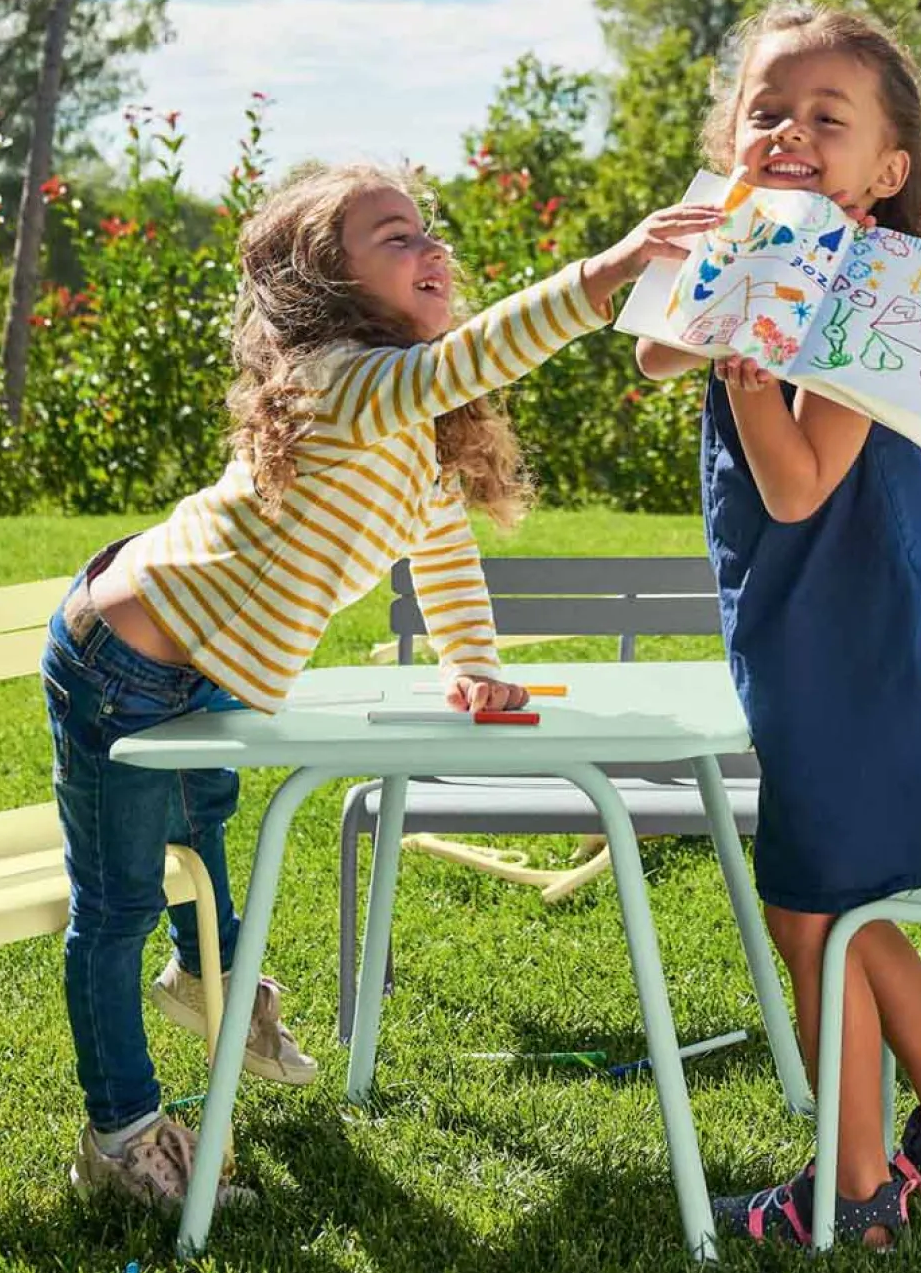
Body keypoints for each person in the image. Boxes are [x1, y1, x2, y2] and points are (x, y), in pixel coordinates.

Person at [43, 159, 724, 1208]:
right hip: (120, 665)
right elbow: (474, 354)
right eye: (394, 238)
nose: (430, 249)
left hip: (201, 674)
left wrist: (474, 666)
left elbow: (439, 549)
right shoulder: (340, 384)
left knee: (203, 839)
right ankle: (121, 1134)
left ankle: (204, 981)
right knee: (119, 902)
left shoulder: (410, 422)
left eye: (427, 230)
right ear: (325, 286)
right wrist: (608, 273)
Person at [637, 3, 921, 1249]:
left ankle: (855, 1188)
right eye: (764, 110)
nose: (788, 130)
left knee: (812, 905)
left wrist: (745, 362)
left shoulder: (876, 288)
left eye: (826, 119)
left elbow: (795, 484)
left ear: (887, 169)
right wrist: (735, 246)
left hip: (870, 629)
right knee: (845, 896)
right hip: (800, 624)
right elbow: (655, 356)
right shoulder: (768, 251)